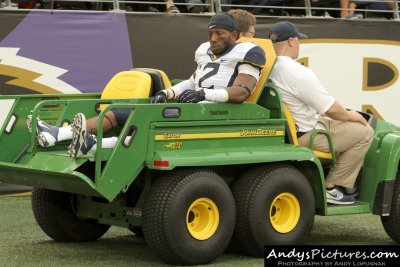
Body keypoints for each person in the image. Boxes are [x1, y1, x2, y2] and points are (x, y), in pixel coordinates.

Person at [28, 12, 266, 158]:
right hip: (197, 108)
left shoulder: (248, 52)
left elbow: (242, 92)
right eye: (211, 33)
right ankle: (58, 134)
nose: (213, 38)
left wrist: (205, 94)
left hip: (218, 113)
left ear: (235, 35)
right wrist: (168, 91)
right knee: (116, 112)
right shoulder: (206, 51)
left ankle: (93, 145)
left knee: (143, 119)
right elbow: (194, 80)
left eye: (220, 34)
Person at [267, 21, 374, 205]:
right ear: (292, 41)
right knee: (366, 131)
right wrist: (351, 115)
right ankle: (333, 186)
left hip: (287, 131)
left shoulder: (268, 67)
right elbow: (332, 109)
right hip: (307, 134)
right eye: (298, 40)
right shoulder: (297, 71)